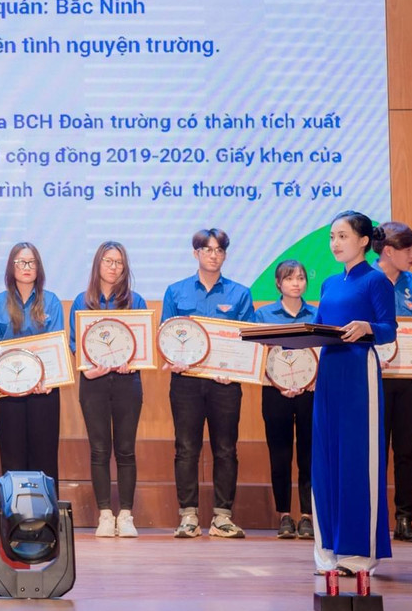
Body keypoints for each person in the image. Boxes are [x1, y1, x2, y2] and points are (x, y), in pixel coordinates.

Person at [312, 211, 397, 575]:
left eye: (343, 236)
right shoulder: (329, 283)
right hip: (329, 372)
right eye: (332, 237)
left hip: (359, 371)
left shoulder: (376, 280)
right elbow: (319, 329)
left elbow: (389, 329)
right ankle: (328, 550)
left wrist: (367, 327)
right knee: (326, 458)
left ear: (363, 241)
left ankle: (360, 553)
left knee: (356, 458)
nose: (335, 243)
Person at [160, 228, 254, 539]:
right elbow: (166, 335)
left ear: (225, 255)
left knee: (225, 449)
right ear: (196, 253)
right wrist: (173, 358)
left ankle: (222, 517)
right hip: (185, 382)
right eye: (207, 249)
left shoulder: (240, 294)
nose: (214, 255)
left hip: (225, 383)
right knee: (186, 448)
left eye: (219, 250)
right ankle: (188, 516)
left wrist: (235, 369)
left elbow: (249, 340)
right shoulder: (176, 292)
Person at [69, 241, 147, 538]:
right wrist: (87, 368)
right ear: (97, 264)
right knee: (99, 450)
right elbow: (75, 343)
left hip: (128, 383)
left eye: (119, 262)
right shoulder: (82, 301)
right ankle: (104, 514)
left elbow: (142, 344)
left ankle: (126, 514)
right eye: (108, 261)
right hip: (93, 383)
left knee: (126, 450)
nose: (113, 267)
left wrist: (134, 363)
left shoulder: (136, 301)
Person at [0, 243, 63, 484]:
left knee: (45, 456)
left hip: (43, 390)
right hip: (8, 389)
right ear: (11, 267)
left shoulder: (51, 301)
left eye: (31, 262)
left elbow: (56, 345)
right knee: (12, 456)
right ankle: (14, 508)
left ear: (39, 267)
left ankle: (46, 508)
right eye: (20, 262)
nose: (26, 267)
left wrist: (51, 379)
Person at [373, 222, 412, 543]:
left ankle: (405, 518)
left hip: (410, 378)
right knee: (375, 451)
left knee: (407, 450)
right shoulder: (365, 280)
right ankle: (375, 519)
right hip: (374, 378)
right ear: (389, 251)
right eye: (407, 250)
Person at [253, 260, 317, 540]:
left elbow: (323, 354)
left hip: (310, 392)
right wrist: (279, 382)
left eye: (301, 278)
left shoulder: (317, 314)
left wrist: (310, 380)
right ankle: (284, 515)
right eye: (289, 278)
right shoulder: (263, 314)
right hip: (274, 392)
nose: (296, 283)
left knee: (308, 455)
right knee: (279, 454)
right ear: (278, 283)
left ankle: (307, 516)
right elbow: (256, 355)